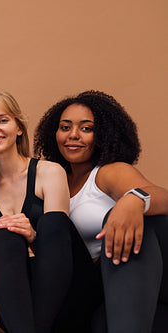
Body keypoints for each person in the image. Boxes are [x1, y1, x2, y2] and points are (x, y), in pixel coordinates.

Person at [34, 90, 168, 332]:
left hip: (147, 278)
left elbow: (164, 198)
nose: (73, 135)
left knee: (140, 222)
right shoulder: (54, 181)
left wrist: (134, 200)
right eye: (65, 127)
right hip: (103, 291)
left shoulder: (107, 172)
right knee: (100, 325)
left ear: (104, 136)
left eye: (86, 128)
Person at [0, 91, 78, 333]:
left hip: (60, 290)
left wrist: (32, 235)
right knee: (6, 233)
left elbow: (60, 248)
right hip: (13, 300)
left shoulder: (50, 172)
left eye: (2, 120)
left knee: (52, 222)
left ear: (19, 127)